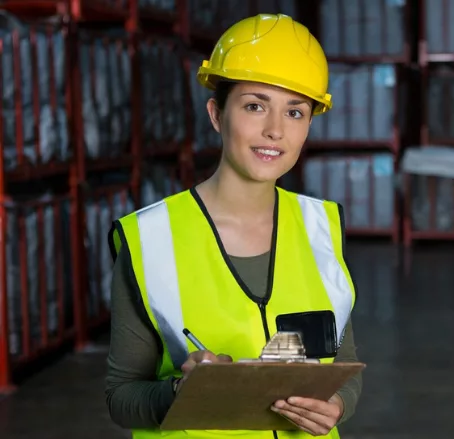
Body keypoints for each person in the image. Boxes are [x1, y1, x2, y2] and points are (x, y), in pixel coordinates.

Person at [104, 14, 361, 438]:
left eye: (295, 112)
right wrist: (183, 392)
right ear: (216, 114)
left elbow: (345, 368)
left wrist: (336, 405)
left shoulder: (322, 226)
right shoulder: (151, 238)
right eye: (255, 105)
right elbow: (121, 396)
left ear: (309, 125)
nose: (275, 130)